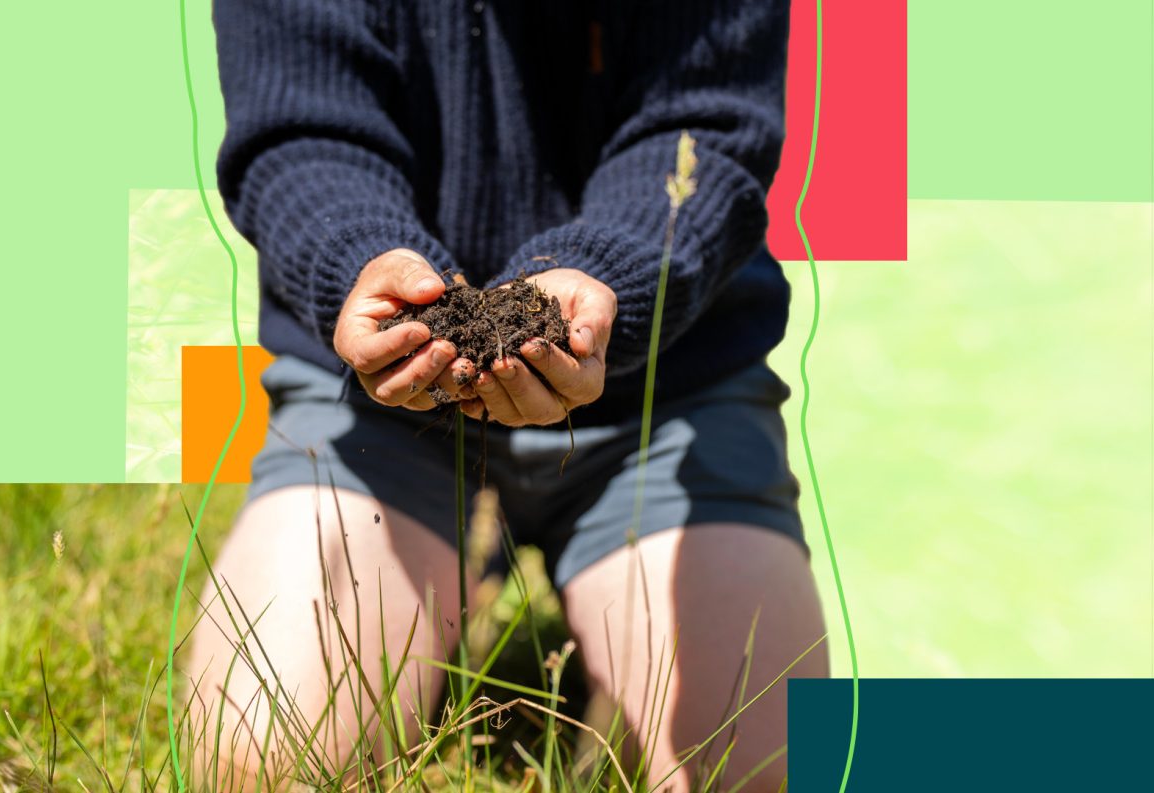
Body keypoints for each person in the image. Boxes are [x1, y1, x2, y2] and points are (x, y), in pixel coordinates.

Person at [186, 0, 827, 789]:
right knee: (266, 759)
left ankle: (604, 641)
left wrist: (603, 279)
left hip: (663, 388)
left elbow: (706, 133)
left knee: (762, 769)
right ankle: (438, 591)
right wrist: (365, 260)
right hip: (381, 395)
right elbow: (299, 129)